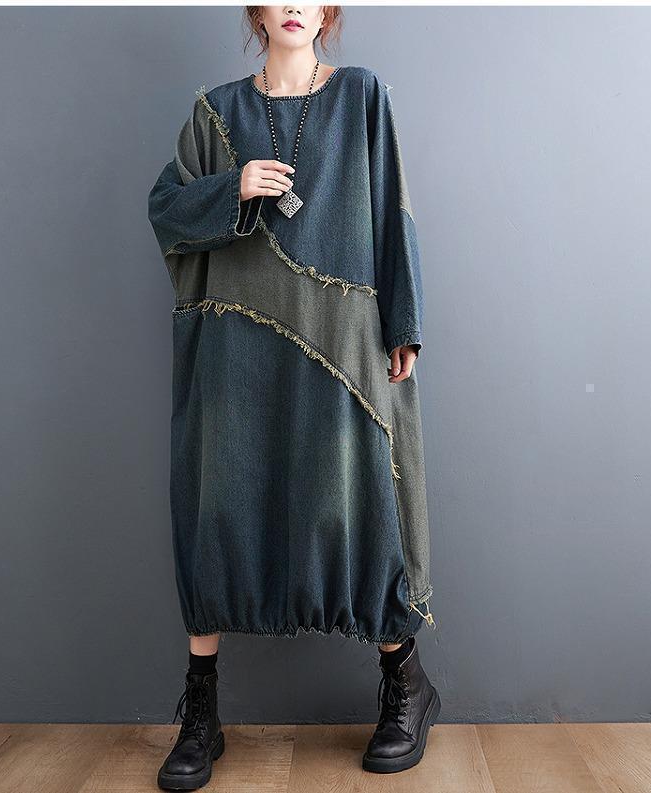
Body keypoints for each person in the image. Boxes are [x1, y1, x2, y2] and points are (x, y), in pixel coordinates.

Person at [147, 5, 440, 789]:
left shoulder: (361, 96)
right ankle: (201, 712)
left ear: (329, 9)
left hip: (339, 339)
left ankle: (406, 683)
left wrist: (403, 322)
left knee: (357, 501)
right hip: (233, 346)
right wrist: (232, 188)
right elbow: (164, 210)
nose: (293, 5)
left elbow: (391, 209)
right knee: (217, 506)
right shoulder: (215, 112)